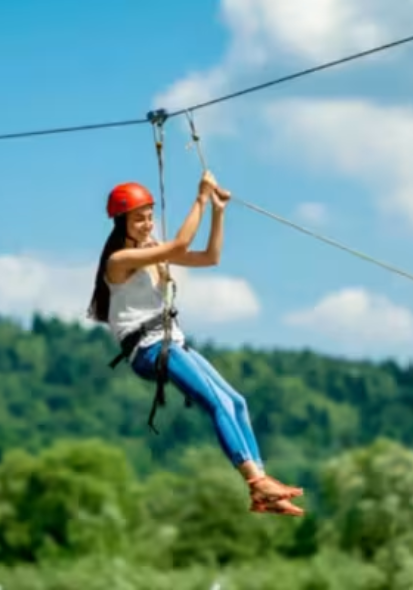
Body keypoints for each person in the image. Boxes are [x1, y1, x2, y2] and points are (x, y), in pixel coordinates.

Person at [87, 170, 304, 516]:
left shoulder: (152, 253)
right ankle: (255, 482)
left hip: (171, 342)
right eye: (138, 220)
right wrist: (200, 198)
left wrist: (217, 211)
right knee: (216, 402)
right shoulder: (119, 261)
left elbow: (209, 257)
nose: (146, 224)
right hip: (149, 349)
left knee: (236, 401)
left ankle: (261, 485)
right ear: (120, 223)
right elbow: (179, 246)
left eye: (148, 217)